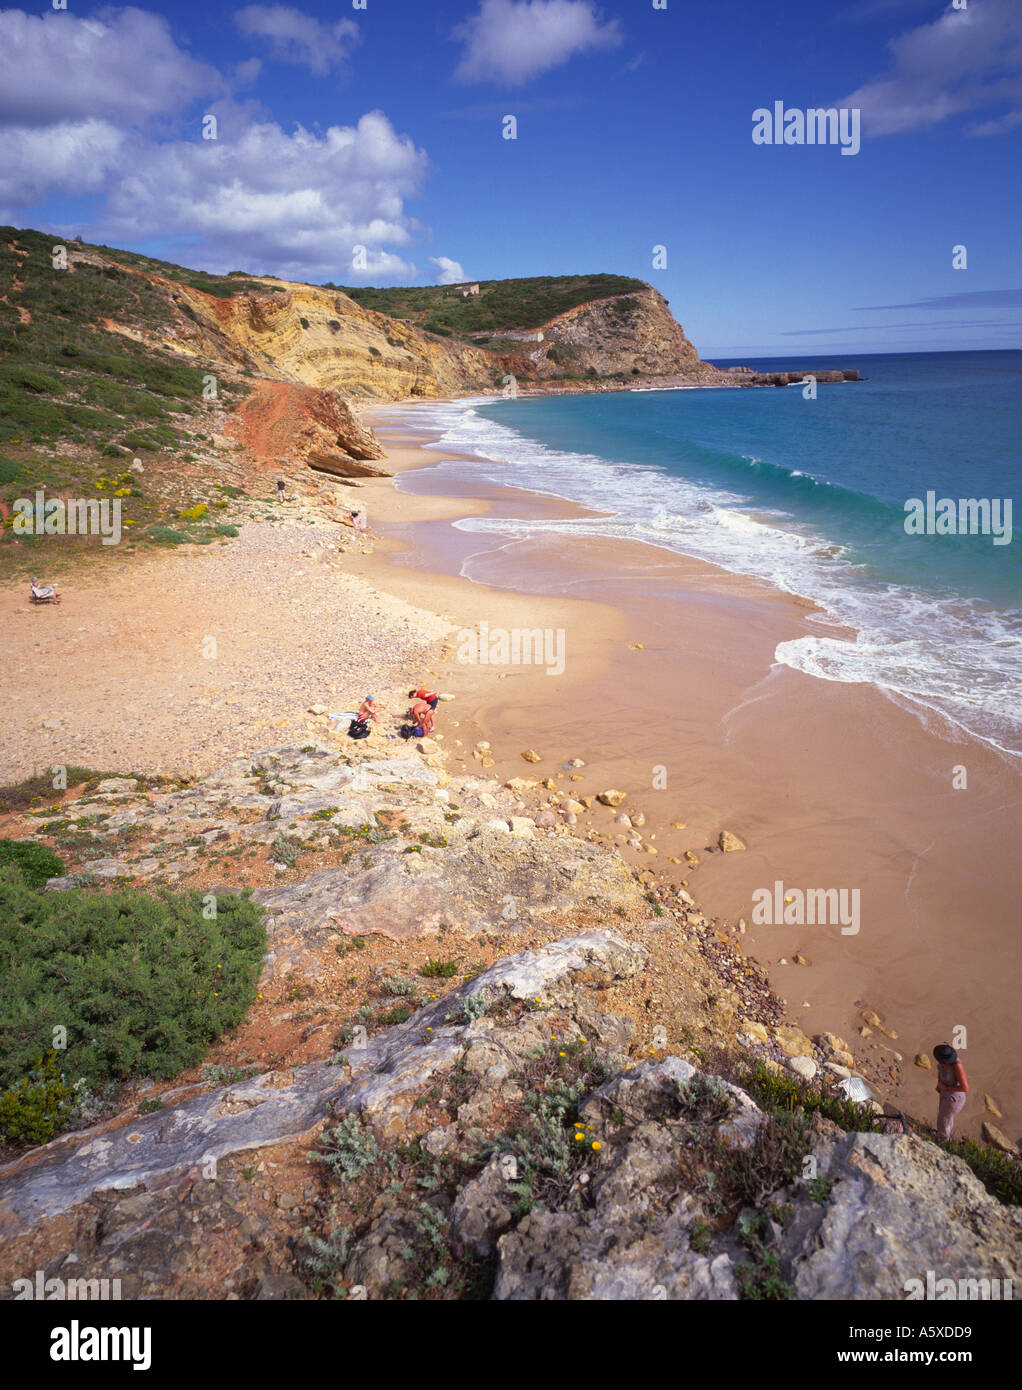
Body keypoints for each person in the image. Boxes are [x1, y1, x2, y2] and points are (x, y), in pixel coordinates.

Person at [933, 1042, 968, 1140]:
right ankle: (945, 1135)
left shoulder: (957, 1065)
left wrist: (946, 1088)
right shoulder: (942, 1062)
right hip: (945, 1092)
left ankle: (943, 1141)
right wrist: (939, 1084)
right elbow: (940, 1071)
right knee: (945, 1118)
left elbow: (965, 1087)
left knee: (943, 1119)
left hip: (955, 1097)